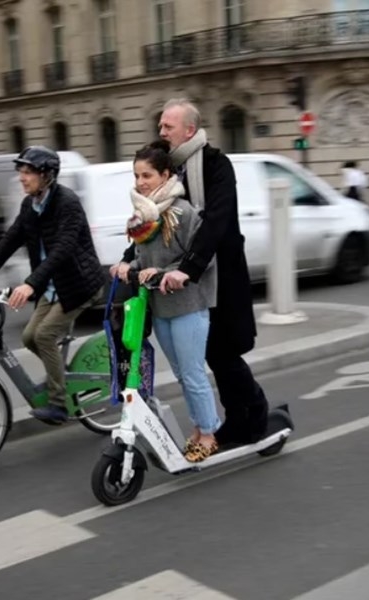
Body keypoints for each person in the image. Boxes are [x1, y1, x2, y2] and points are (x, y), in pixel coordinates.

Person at [113, 98, 272, 447]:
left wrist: (189, 269)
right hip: (181, 280)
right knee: (205, 358)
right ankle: (227, 422)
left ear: (189, 130)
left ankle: (255, 413)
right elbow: (149, 226)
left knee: (224, 354)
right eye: (161, 126)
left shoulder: (215, 165)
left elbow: (216, 221)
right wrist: (128, 259)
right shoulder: (167, 169)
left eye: (168, 126)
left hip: (219, 274)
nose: (162, 131)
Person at [0, 146, 105, 424]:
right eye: (21, 171)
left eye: (29, 172)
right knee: (28, 337)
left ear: (47, 175)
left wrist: (30, 284)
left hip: (78, 284)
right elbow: (8, 242)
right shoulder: (29, 205)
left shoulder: (66, 202)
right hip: (52, 285)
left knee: (44, 335)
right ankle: (62, 377)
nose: (22, 177)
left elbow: (63, 248)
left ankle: (59, 406)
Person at [120, 140, 219, 461]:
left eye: (147, 175)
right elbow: (143, 257)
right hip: (161, 308)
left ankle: (207, 433)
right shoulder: (142, 217)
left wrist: (162, 271)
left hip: (188, 306)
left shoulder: (183, 212)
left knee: (192, 373)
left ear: (165, 175)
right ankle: (199, 426)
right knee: (180, 374)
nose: (140, 182)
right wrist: (127, 267)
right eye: (136, 175)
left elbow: (200, 260)